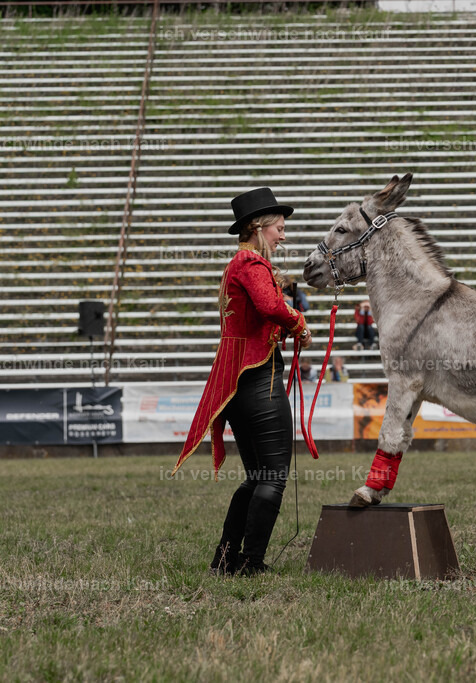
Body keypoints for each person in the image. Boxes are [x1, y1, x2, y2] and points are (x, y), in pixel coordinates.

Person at [174, 187, 311, 577]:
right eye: (279, 228)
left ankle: (225, 560)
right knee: (273, 476)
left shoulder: (238, 264)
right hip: (258, 380)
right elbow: (270, 306)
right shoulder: (251, 263)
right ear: (258, 227)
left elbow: (258, 317)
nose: (283, 236)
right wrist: (299, 324)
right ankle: (251, 563)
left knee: (257, 476)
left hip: (238, 382)